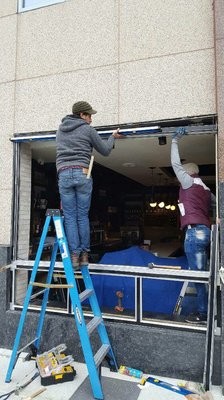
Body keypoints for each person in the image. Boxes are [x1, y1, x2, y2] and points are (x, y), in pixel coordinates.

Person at [56, 101, 123, 268]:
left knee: (70, 218)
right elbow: (105, 151)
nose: (91, 119)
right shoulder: (87, 129)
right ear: (81, 115)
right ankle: (84, 255)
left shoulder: (60, 130)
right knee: (82, 216)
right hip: (82, 173)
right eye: (89, 115)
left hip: (63, 174)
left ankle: (74, 255)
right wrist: (112, 137)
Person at [171, 127, 216, 323]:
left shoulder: (189, 182)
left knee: (198, 277)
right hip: (205, 231)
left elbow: (174, 163)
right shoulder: (206, 189)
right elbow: (216, 206)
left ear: (189, 173)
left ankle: (204, 314)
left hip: (195, 232)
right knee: (203, 274)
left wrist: (174, 141)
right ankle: (208, 310)